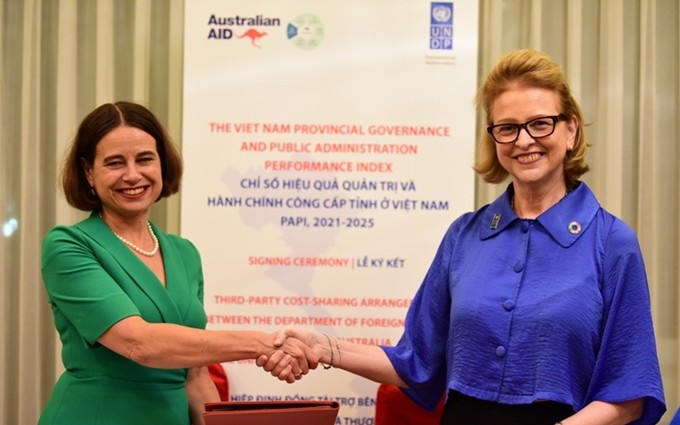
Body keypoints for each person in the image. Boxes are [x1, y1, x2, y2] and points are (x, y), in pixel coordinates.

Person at [259, 49, 666, 425]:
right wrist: (321, 345)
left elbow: (628, 393)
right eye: (507, 128)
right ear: (494, 139)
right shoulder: (464, 236)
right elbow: (414, 361)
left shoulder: (612, 242)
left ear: (571, 130)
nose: (524, 140)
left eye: (540, 123)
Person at [39, 101, 316, 425]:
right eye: (115, 163)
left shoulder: (185, 253)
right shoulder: (68, 245)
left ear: (161, 164)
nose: (132, 175)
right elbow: (138, 343)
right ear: (88, 172)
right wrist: (263, 344)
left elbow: (195, 377)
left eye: (145, 159)